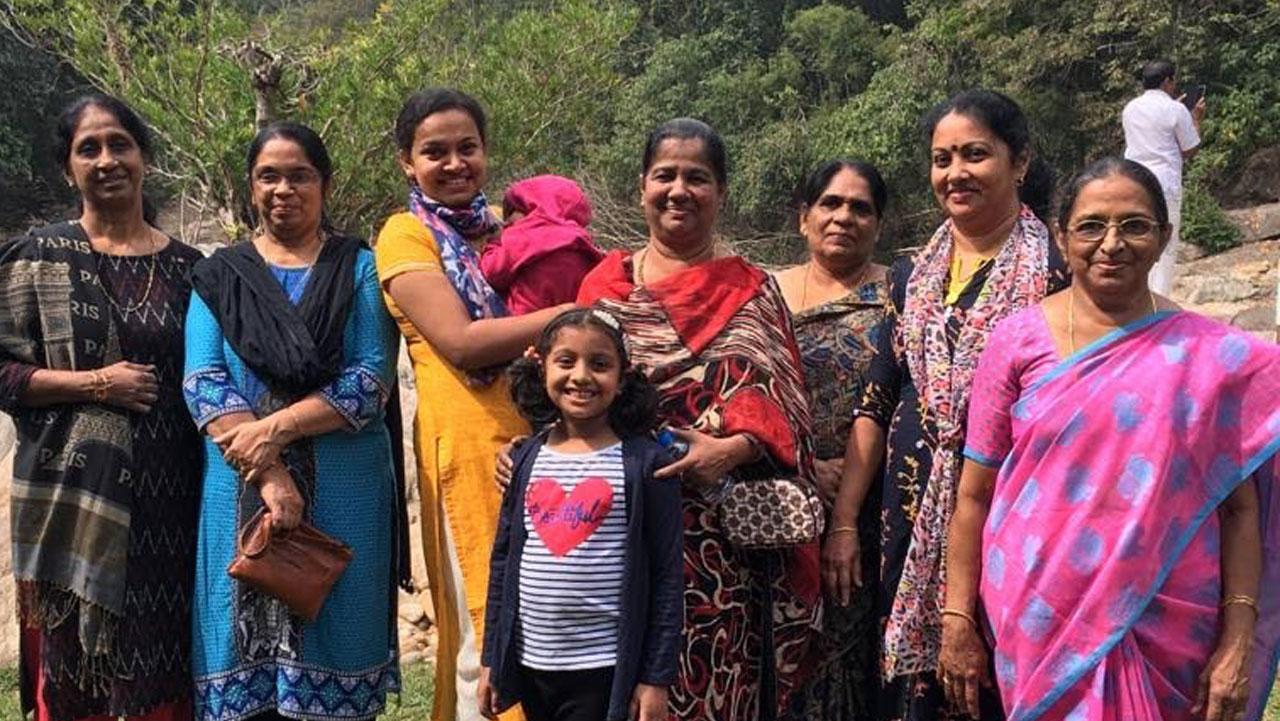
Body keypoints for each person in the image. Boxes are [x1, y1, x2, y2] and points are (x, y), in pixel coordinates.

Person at [940, 157, 1280, 721]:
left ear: (1164, 236)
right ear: (1062, 234)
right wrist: (956, 618)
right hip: (1040, 619)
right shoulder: (1015, 342)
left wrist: (1238, 633)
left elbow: (1240, 511)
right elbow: (974, 493)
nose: (1112, 244)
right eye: (1092, 225)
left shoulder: (1211, 355)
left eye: (1136, 225)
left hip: (1171, 628)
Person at [823, 90, 1070, 721]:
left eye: (975, 154)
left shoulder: (1057, 276)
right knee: (905, 691)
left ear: (1019, 163)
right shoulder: (913, 276)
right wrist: (847, 520)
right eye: (942, 158)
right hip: (901, 524)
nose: (954, 172)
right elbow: (876, 401)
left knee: (990, 680)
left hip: (1009, 520)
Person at [572, 118, 821, 721]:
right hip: (615, 532)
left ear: (721, 192)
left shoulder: (754, 292)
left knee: (720, 685)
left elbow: (788, 411)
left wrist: (730, 450)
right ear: (641, 188)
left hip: (721, 539)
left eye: (697, 178)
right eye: (665, 175)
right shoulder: (604, 289)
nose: (679, 190)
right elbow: (565, 395)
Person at [185, 122, 401, 720]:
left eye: (299, 175)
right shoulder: (219, 275)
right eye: (268, 176)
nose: (284, 189)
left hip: (345, 489)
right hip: (240, 491)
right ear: (251, 187)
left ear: (325, 183)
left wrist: (272, 430)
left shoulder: (359, 268)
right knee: (236, 657)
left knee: (339, 639)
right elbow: (203, 381)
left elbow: (368, 381)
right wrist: (271, 474)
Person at [0, 94, 204, 721]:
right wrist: (94, 385)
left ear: (144, 157)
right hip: (73, 507)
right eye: (89, 148)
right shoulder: (38, 257)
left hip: (176, 503)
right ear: (68, 169)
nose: (108, 159)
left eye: (120, 144)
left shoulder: (190, 269)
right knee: (77, 670)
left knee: (165, 662)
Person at [374, 87, 573, 721]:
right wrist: (572, 316)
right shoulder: (407, 235)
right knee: (484, 638)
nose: (455, 163)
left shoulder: (506, 234)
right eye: (435, 152)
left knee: (551, 630)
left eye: (469, 148)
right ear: (408, 161)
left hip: (546, 445)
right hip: (466, 451)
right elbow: (460, 343)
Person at [478, 308, 684, 721]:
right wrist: (492, 659)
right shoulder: (525, 459)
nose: (582, 376)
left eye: (600, 364)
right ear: (542, 369)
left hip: (603, 667)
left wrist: (656, 677)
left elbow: (666, 577)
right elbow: (503, 562)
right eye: (566, 361)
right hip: (532, 662)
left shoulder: (646, 465)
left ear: (624, 377)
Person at [775, 159, 890, 721]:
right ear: (804, 218)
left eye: (860, 207)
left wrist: (850, 475)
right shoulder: (765, 296)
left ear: (878, 223)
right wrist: (801, 465)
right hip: (778, 504)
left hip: (873, 509)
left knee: (860, 657)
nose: (844, 216)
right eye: (830, 203)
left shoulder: (899, 299)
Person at [1122, 59, 1205, 294]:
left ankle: (1135, 299)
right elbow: (1190, 149)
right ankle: (1158, 304)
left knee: (1136, 239)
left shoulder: (1131, 108)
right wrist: (1196, 118)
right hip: (1164, 185)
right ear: (1168, 81)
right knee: (1164, 246)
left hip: (1134, 183)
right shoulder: (1176, 110)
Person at [480, 174, 604, 315]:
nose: (506, 222)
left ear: (532, 209)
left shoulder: (526, 235)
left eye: (511, 212)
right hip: (567, 325)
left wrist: (493, 244)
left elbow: (491, 271)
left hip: (522, 326)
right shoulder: (584, 245)